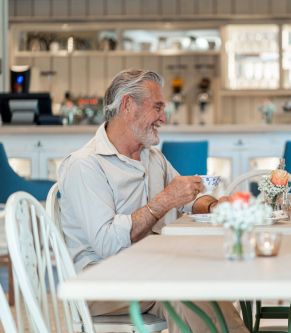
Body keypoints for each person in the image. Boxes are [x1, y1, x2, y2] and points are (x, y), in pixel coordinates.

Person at [58, 69, 248, 333]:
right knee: (185, 286)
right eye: (157, 107)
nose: (164, 117)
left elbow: (187, 198)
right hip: (97, 281)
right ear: (127, 105)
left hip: (147, 270)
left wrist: (214, 205)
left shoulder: (152, 157)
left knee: (204, 283)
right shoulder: (85, 165)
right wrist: (164, 201)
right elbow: (107, 244)